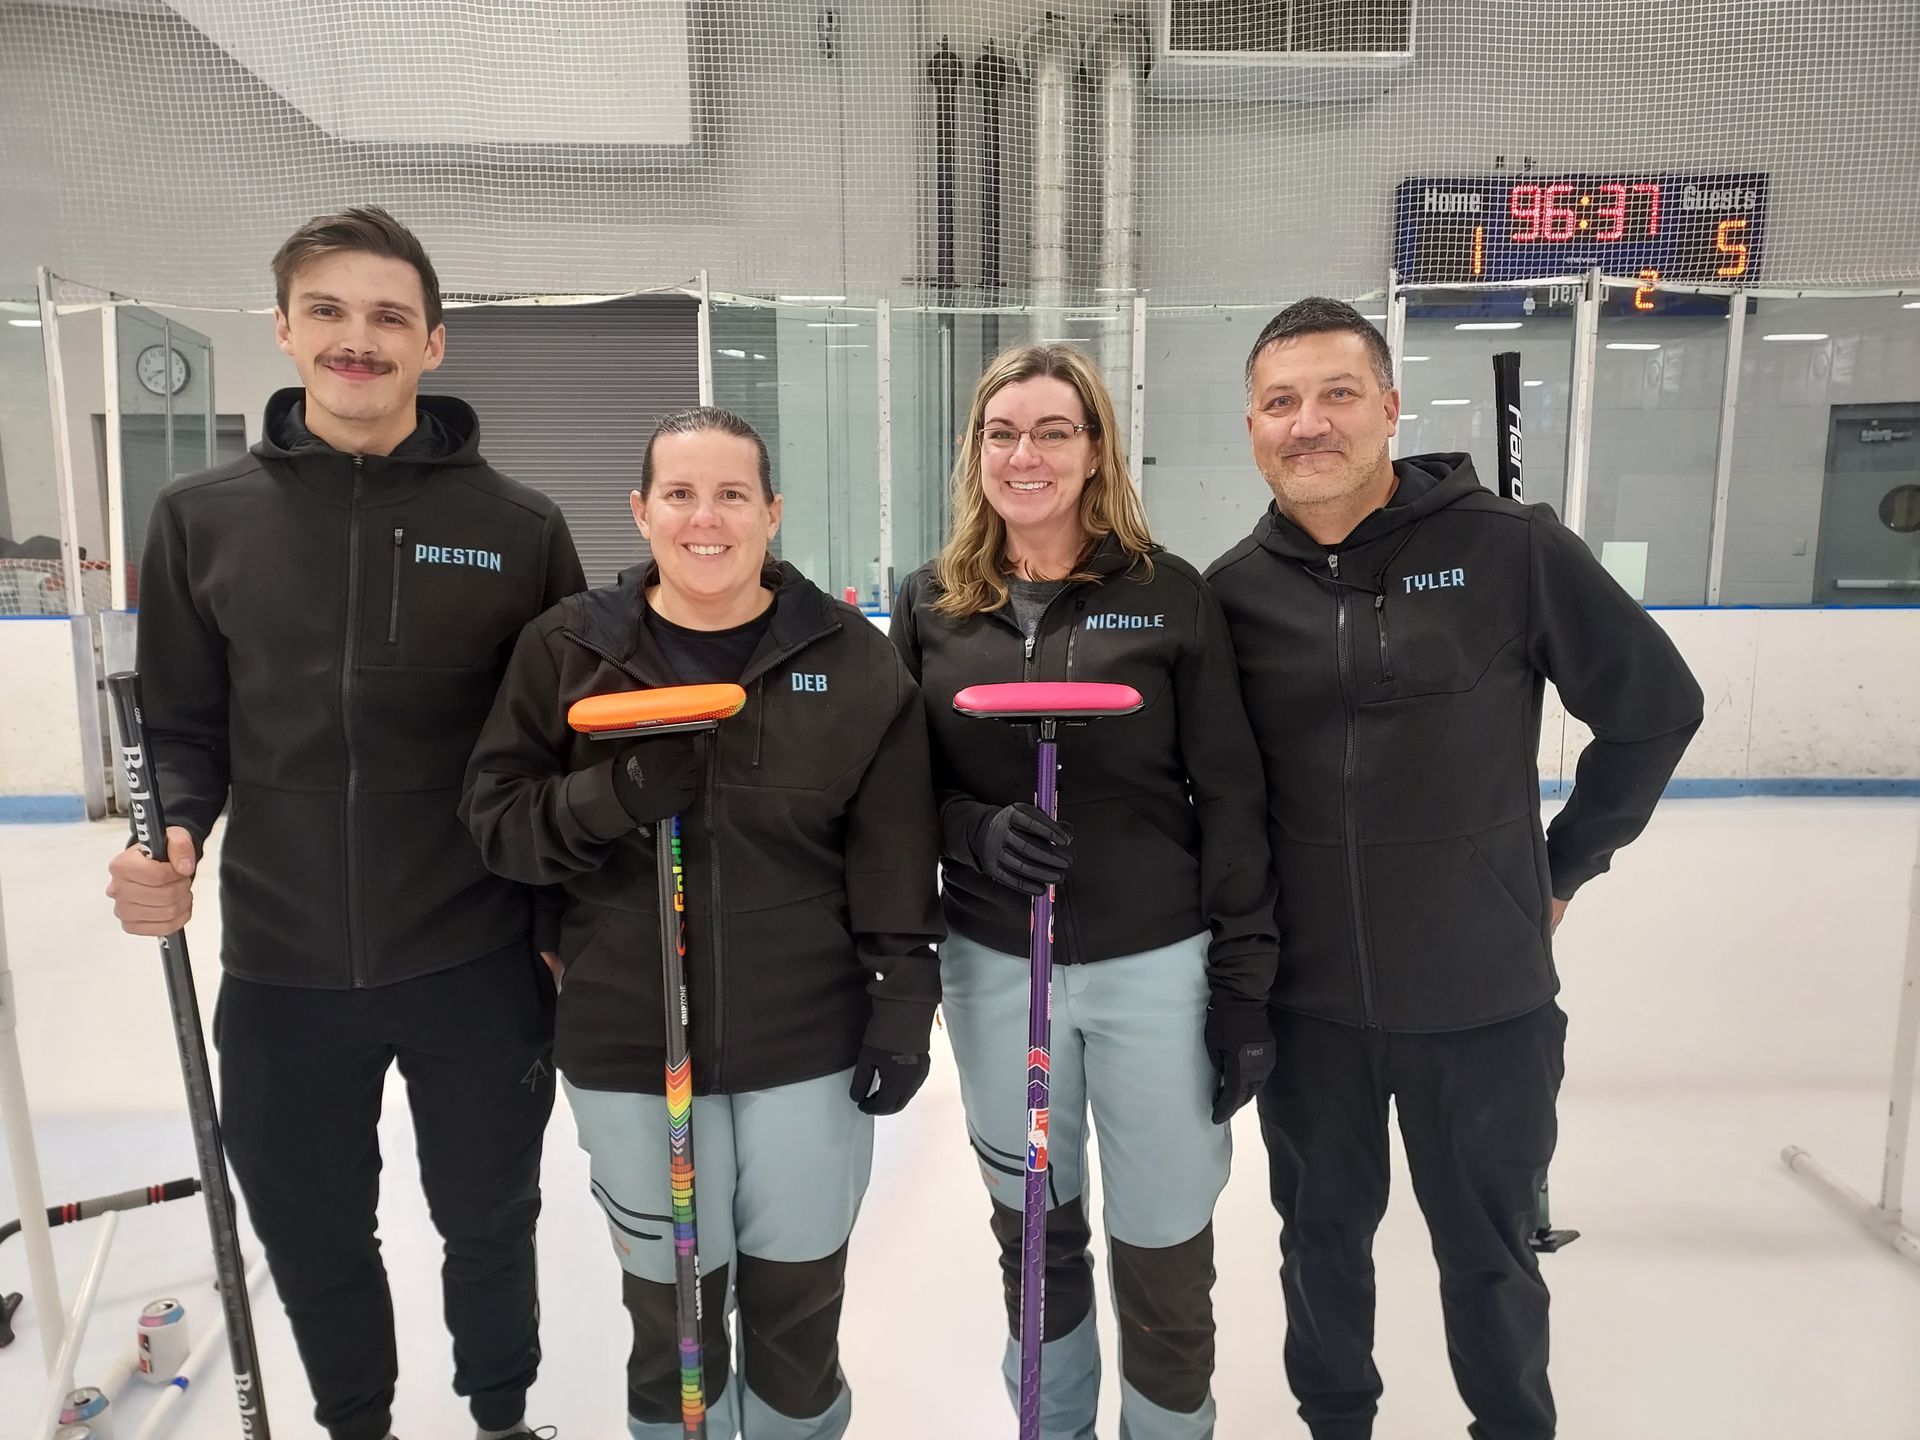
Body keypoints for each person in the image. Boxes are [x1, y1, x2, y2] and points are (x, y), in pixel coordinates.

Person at [105, 206, 584, 1440]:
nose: (355, 338)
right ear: (283, 327)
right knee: (313, 1230)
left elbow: (560, 747)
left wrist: (561, 928)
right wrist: (171, 836)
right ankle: (355, 1424)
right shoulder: (201, 517)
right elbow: (181, 728)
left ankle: (500, 1418)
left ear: (434, 342)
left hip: (475, 952)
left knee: (490, 1218)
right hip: (285, 960)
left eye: (387, 316)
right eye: (327, 310)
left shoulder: (520, 527)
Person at [1207, 297, 1705, 1440]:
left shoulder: (1510, 548)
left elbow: (1655, 709)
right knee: (1319, 1247)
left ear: (1390, 407)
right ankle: (1337, 1423)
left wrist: (1564, 866)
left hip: (1483, 1000)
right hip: (1310, 1007)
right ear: (1253, 427)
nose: (1309, 423)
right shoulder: (1231, 593)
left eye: (1338, 394)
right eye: (1282, 402)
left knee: (1491, 1258)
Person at [461, 406, 942, 1440]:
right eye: (679, 494)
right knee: (671, 1319)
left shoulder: (851, 662)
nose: (705, 518)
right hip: (630, 1043)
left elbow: (896, 854)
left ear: (772, 511)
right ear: (641, 512)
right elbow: (496, 823)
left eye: (731, 494)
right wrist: (610, 797)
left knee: (797, 1315)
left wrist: (903, 1007)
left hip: (806, 1043)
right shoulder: (569, 648)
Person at [890, 344, 1278, 1440]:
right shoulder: (932, 603)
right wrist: (974, 833)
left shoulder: (1168, 594)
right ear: (975, 451)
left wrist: (1245, 981)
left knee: (1163, 1237)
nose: (1028, 454)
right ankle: (1051, 1423)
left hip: (1157, 968)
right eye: (1003, 432)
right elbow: (895, 794)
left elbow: (1232, 794)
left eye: (1054, 431)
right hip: (995, 968)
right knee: (1034, 1233)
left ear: (1096, 447)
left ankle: (1167, 1426)